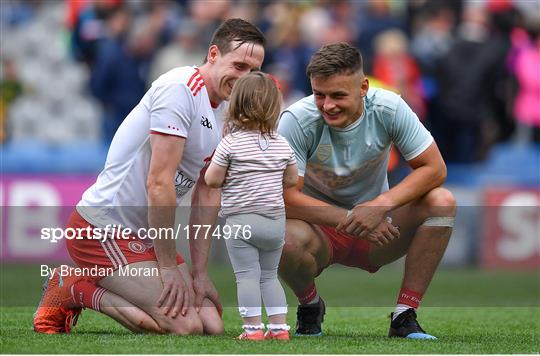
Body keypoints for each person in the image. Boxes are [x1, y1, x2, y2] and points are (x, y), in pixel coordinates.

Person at [33, 18, 265, 335]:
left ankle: (103, 280)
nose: (244, 78)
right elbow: (158, 182)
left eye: (254, 71)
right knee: (184, 326)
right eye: (239, 65)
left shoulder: (227, 109)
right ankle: (71, 285)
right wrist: (168, 267)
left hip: (146, 236)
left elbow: (208, 192)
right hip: (102, 229)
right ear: (213, 54)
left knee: (211, 324)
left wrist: (199, 272)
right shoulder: (179, 89)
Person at [277, 42, 456, 339]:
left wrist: (380, 204)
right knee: (278, 237)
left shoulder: (389, 106)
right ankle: (310, 305)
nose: (327, 105)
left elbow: (435, 169)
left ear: (363, 87)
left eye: (338, 95)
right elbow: (285, 198)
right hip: (318, 230)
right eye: (319, 94)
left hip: (378, 230)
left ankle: (404, 316)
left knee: (442, 201)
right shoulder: (296, 119)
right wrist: (352, 217)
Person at [205, 72, 298, 341]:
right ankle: (279, 329)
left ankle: (253, 329)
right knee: (269, 276)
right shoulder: (282, 143)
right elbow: (291, 179)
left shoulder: (230, 143)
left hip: (241, 221)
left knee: (246, 276)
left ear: (235, 106)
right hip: (275, 222)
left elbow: (212, 179)